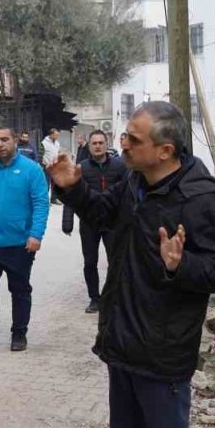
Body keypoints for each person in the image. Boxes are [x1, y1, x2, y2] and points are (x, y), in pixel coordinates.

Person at [48, 101, 215, 428]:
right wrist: (73, 190)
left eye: (133, 139)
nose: (122, 144)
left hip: (165, 341)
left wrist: (182, 264)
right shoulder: (134, 181)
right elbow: (105, 216)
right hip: (124, 332)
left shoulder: (202, 199)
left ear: (165, 149)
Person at [0, 124, 50, 352]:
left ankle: (19, 333)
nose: (0, 144)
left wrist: (36, 234)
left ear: (15, 140)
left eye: (4, 139)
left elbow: (41, 204)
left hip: (21, 245)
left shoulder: (32, 170)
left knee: (20, 290)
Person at [61, 130, 127, 313]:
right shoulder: (81, 167)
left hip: (113, 222)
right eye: (94, 143)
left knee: (116, 261)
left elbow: (129, 193)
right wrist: (67, 222)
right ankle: (94, 299)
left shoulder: (120, 167)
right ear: (89, 146)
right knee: (90, 262)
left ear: (107, 145)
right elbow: (71, 194)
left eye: (101, 143)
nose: (98, 146)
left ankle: (114, 296)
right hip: (89, 223)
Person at [41, 128, 63, 205]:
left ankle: (54, 199)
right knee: (46, 184)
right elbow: (40, 155)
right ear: (51, 135)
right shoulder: (43, 143)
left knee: (55, 184)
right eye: (56, 135)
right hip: (47, 167)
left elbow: (58, 152)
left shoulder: (57, 143)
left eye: (58, 135)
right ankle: (45, 200)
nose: (57, 136)